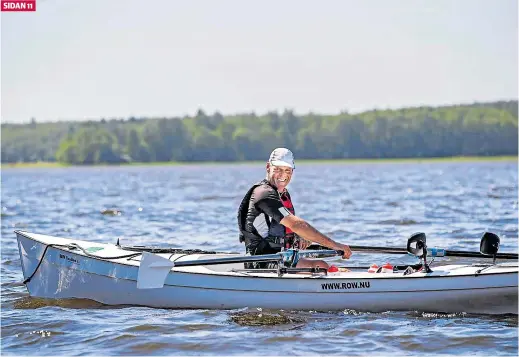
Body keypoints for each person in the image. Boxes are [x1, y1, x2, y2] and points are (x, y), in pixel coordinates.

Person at [237, 147, 352, 269]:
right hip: (261, 262)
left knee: (330, 267)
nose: (283, 175)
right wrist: (335, 245)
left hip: (280, 257)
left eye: (287, 170)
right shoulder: (264, 193)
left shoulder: (282, 194)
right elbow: (296, 224)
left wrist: (298, 236)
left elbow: (286, 228)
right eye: (278, 169)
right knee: (321, 266)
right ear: (268, 167)